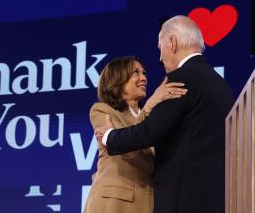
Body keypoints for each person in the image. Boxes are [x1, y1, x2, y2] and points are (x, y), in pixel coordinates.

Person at [96, 16, 234, 213]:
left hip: (183, 196)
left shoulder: (182, 77)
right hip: (214, 196)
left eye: (160, 47)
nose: (160, 58)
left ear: (173, 43)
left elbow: (150, 131)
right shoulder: (221, 84)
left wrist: (110, 137)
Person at [84, 56, 187, 213]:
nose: (143, 78)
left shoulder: (154, 117)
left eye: (144, 73)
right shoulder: (102, 111)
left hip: (147, 202)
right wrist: (149, 106)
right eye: (136, 73)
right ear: (118, 78)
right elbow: (127, 145)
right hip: (114, 203)